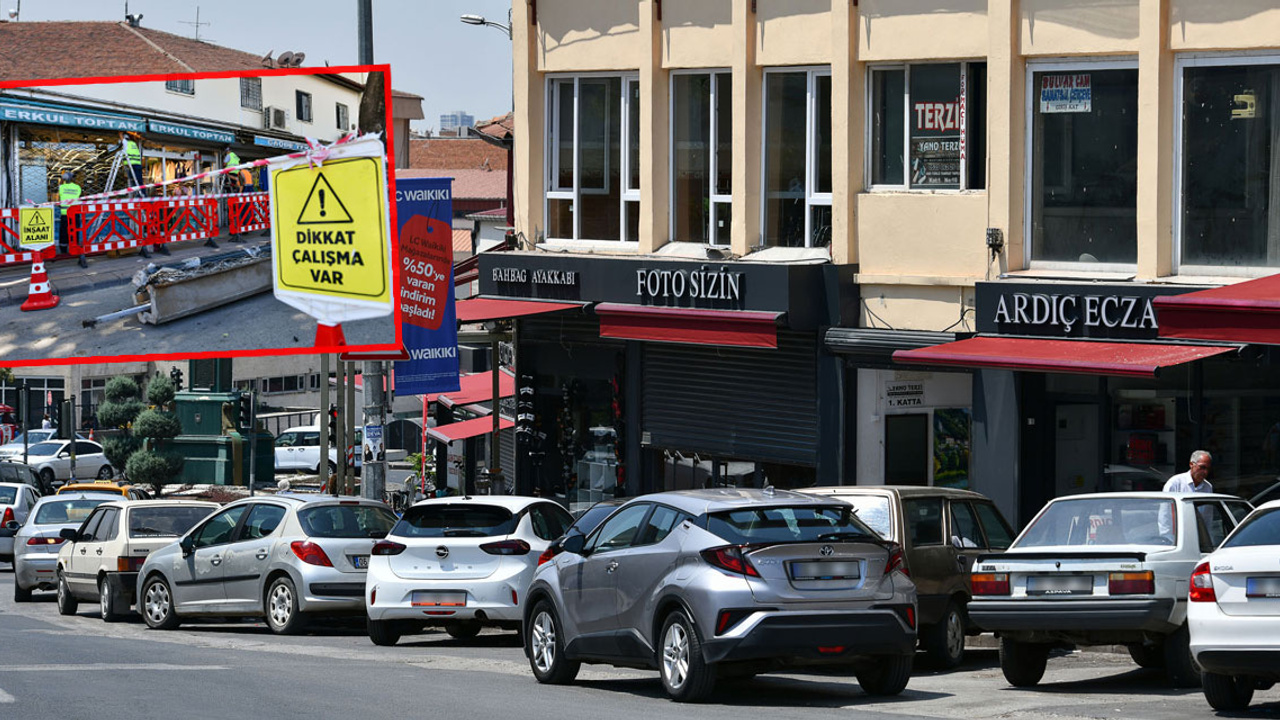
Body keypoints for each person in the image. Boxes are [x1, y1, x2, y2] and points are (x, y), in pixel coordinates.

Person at [57, 170, 82, 253]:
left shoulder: (62, 187)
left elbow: (58, 197)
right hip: (75, 212)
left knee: (64, 231)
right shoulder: (77, 188)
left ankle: (63, 249)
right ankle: (74, 246)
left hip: (65, 213)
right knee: (74, 230)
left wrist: (61, 179)